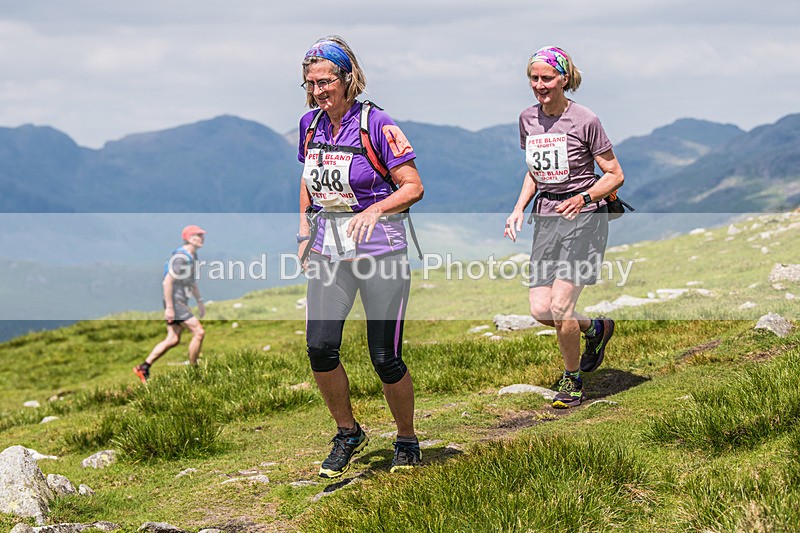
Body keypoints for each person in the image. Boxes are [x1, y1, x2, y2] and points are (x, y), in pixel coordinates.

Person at [296, 36, 425, 477]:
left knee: (384, 357)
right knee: (320, 348)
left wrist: (375, 208)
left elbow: (412, 186)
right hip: (330, 251)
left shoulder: (377, 122)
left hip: (381, 252)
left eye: (326, 81)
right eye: (311, 84)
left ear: (348, 78)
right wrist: (303, 230)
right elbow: (308, 178)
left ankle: (406, 439)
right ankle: (347, 431)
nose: (318, 91)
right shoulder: (310, 126)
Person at [504, 46, 624, 408]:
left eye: (547, 78)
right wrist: (518, 208)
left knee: (560, 306)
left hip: (584, 217)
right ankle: (598, 329)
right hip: (547, 217)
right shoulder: (527, 119)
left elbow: (615, 175)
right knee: (541, 310)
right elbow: (533, 171)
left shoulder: (585, 119)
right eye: (534, 78)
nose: (539, 85)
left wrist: (584, 199)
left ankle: (572, 380)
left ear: (564, 79)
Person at [133, 225, 207, 383]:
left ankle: (143, 367)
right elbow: (167, 282)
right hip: (174, 301)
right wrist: (170, 308)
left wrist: (200, 301)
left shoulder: (193, 256)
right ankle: (194, 371)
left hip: (180, 300)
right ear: (188, 238)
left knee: (173, 339)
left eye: (202, 235)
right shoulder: (181, 257)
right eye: (197, 235)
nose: (201, 238)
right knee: (199, 332)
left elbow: (191, 281)